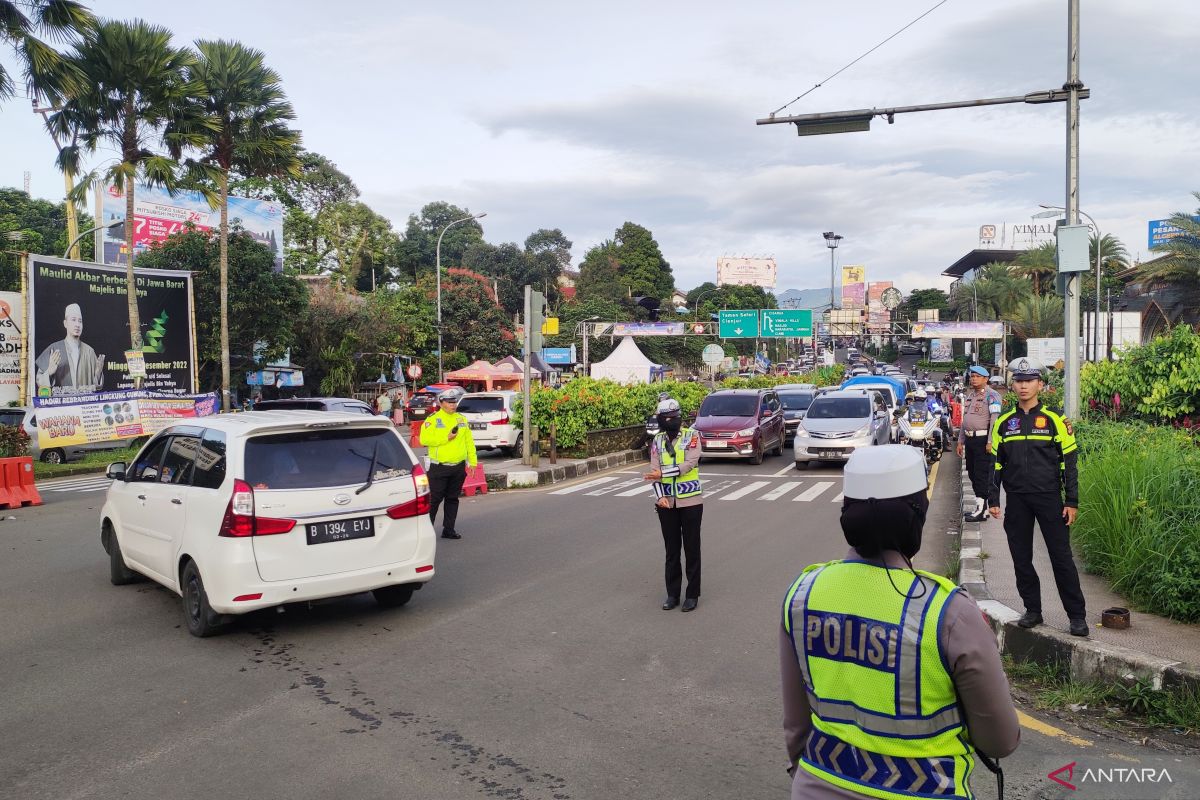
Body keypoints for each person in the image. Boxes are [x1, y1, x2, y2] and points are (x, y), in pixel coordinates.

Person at [780, 446, 1020, 799]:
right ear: (917, 518)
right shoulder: (948, 612)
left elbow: (796, 728)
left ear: (847, 515)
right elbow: (1000, 740)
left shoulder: (802, 594)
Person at [988, 358, 1088, 636]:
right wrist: (993, 498)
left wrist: (1072, 501)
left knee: (1061, 558)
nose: (1023, 386)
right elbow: (996, 463)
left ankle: (1077, 616)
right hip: (1017, 499)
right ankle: (1033, 610)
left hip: (1050, 499)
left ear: (1040, 385)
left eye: (1029, 381)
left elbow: (1069, 463)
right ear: (1013, 385)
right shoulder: (1005, 423)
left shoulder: (1056, 421)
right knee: (1021, 558)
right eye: (1019, 381)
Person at [643, 397, 703, 612]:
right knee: (671, 550)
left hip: (691, 501)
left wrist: (663, 473)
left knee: (691, 548)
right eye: (668, 418)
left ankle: (692, 594)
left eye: (675, 417)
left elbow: (689, 464)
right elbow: (653, 471)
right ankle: (672, 594)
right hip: (666, 502)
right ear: (661, 420)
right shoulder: (657, 441)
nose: (673, 421)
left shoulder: (692, 436)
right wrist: (659, 496)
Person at [419, 386, 477, 540]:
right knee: (434, 500)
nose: (453, 404)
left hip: (457, 467)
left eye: (454, 402)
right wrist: (446, 437)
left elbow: (469, 442)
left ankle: (448, 529)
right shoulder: (432, 420)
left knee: (452, 499)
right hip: (439, 468)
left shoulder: (461, 419)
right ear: (441, 403)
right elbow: (424, 440)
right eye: (450, 402)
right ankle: (426, 531)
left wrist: (472, 463)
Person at [958, 365, 1004, 522]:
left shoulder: (992, 396)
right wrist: (960, 441)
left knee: (981, 474)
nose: (974, 379)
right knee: (972, 472)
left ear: (986, 379)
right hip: (970, 440)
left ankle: (981, 508)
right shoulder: (970, 396)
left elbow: (995, 420)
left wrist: (991, 440)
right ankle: (982, 509)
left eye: (977, 376)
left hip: (983, 440)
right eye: (972, 376)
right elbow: (965, 421)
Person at [34, 302, 105, 393]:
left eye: (80, 321)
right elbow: (40, 382)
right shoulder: (54, 349)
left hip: (84, 404)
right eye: (73, 320)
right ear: (65, 323)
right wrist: (49, 372)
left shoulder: (89, 351)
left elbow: (97, 386)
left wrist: (98, 373)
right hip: (62, 405)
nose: (77, 324)